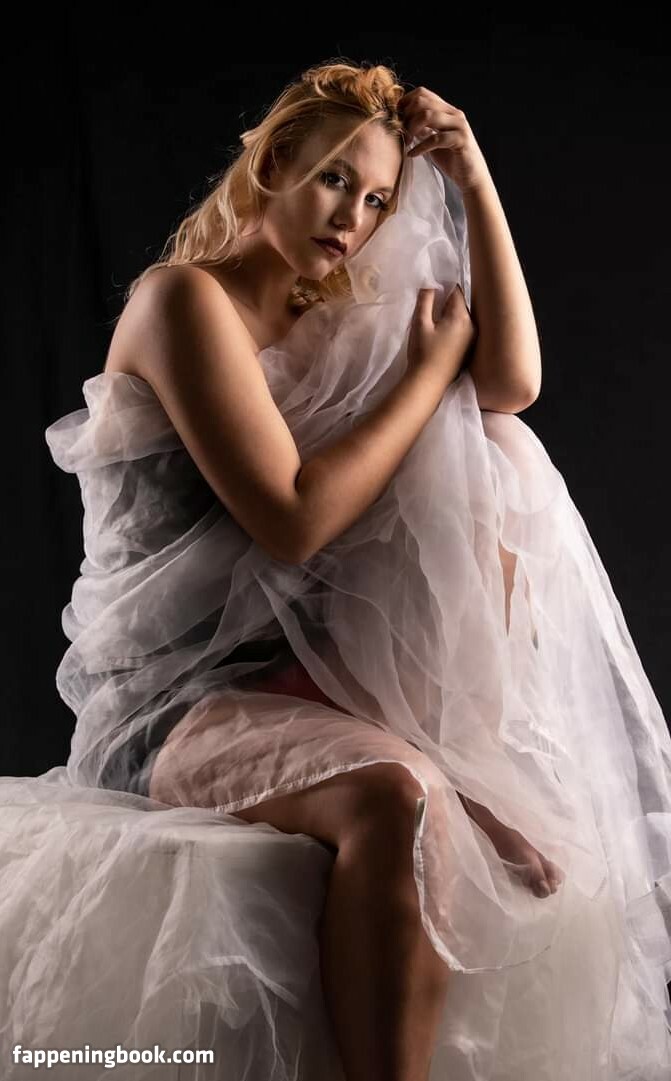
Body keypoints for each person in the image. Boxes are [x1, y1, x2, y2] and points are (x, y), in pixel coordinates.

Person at [8, 58, 671, 1080]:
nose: (351, 220)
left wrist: (473, 178)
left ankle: (446, 760)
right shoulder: (183, 302)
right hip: (168, 702)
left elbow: (510, 383)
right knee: (399, 799)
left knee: (495, 447)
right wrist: (421, 370)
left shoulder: (333, 313)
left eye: (375, 202)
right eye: (333, 180)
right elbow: (292, 520)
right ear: (274, 163)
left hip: (306, 677)